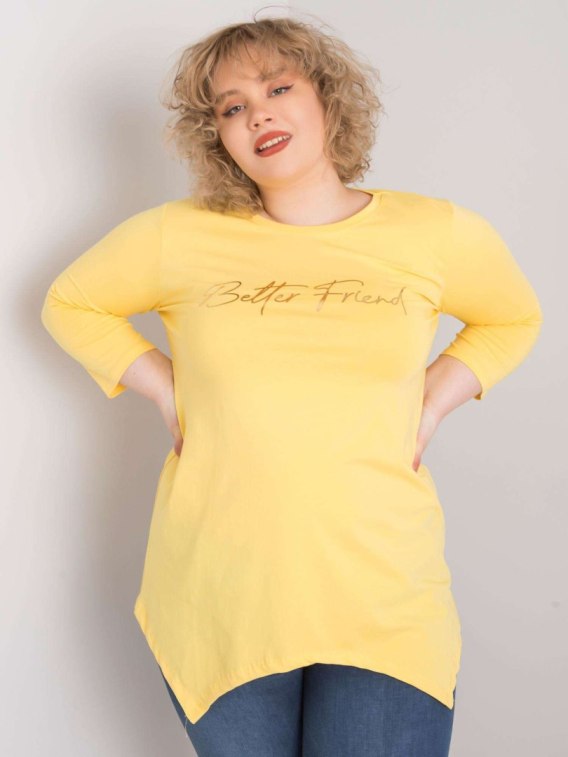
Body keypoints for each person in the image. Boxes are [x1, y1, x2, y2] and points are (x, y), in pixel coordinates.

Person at [40, 12, 543, 757]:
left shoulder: (433, 232)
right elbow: (69, 303)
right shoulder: (177, 235)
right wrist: (166, 388)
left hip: (383, 595)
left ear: (328, 98)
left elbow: (514, 317)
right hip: (221, 595)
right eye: (232, 106)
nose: (258, 114)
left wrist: (434, 398)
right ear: (217, 135)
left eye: (278, 88)